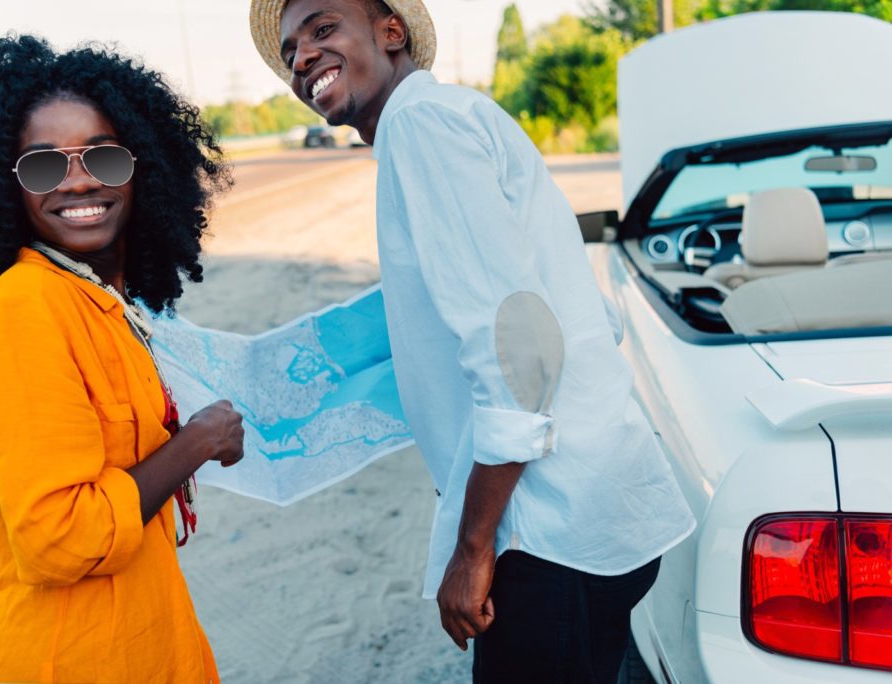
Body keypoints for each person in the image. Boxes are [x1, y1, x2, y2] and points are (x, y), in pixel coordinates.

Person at [250, 1, 696, 681]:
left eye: (322, 29)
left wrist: (473, 547)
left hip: (552, 534)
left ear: (391, 31)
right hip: (595, 512)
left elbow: (519, 346)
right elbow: (575, 314)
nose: (302, 57)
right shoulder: (446, 119)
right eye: (289, 52)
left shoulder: (421, 127)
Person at [0, 35, 243, 683]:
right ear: (8, 187)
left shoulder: (95, 298)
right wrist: (194, 443)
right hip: (75, 659)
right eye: (44, 167)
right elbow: (58, 535)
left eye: (102, 157)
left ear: (142, 167)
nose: (78, 178)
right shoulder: (27, 304)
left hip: (142, 639)